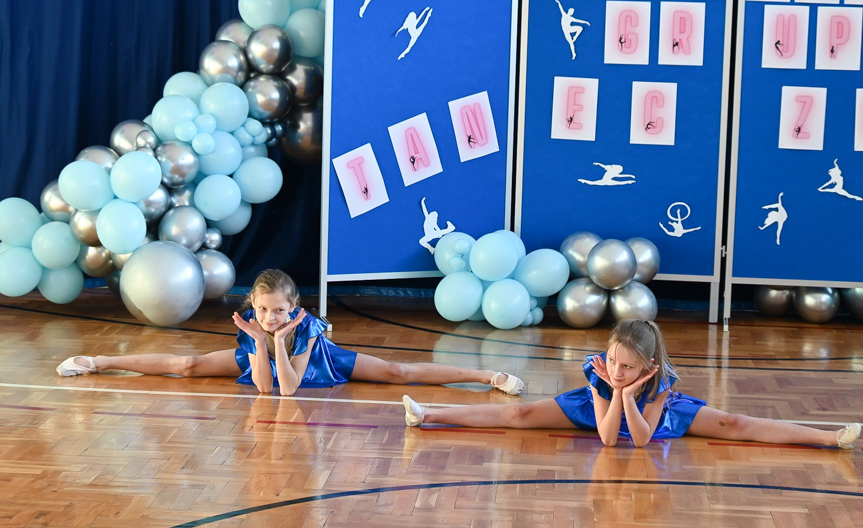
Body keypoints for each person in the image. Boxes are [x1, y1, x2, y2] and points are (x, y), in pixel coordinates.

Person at [56, 269, 525, 397]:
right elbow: (263, 387)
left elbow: (288, 390)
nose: (270, 315)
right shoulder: (257, 325)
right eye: (263, 309)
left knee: (399, 372)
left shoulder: (301, 328)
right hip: (269, 357)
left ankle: (488, 377)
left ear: (294, 308)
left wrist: (279, 339)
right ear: (254, 306)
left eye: (279, 310)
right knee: (188, 364)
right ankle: (98, 362)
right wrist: (260, 340)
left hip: (315, 361)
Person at [403, 319, 861, 450]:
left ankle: (828, 437)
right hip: (597, 408)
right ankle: (429, 415)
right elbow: (607, 438)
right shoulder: (602, 373)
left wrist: (630, 394)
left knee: (737, 422)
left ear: (649, 363)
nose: (618, 369)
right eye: (614, 362)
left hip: (652, 416)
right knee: (520, 413)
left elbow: (640, 442)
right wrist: (614, 390)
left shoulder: (662, 381)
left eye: (627, 366)